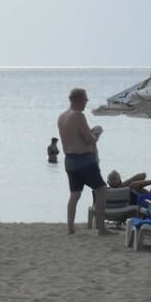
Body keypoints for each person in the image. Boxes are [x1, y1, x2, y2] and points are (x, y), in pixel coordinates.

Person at [57, 88, 111, 235]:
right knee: (101, 189)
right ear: (77, 99)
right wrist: (95, 136)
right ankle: (101, 228)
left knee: (75, 194)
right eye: (85, 100)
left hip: (69, 161)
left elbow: (72, 137)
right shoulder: (78, 116)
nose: (86, 103)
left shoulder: (62, 117)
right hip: (84, 160)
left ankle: (70, 228)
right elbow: (88, 139)